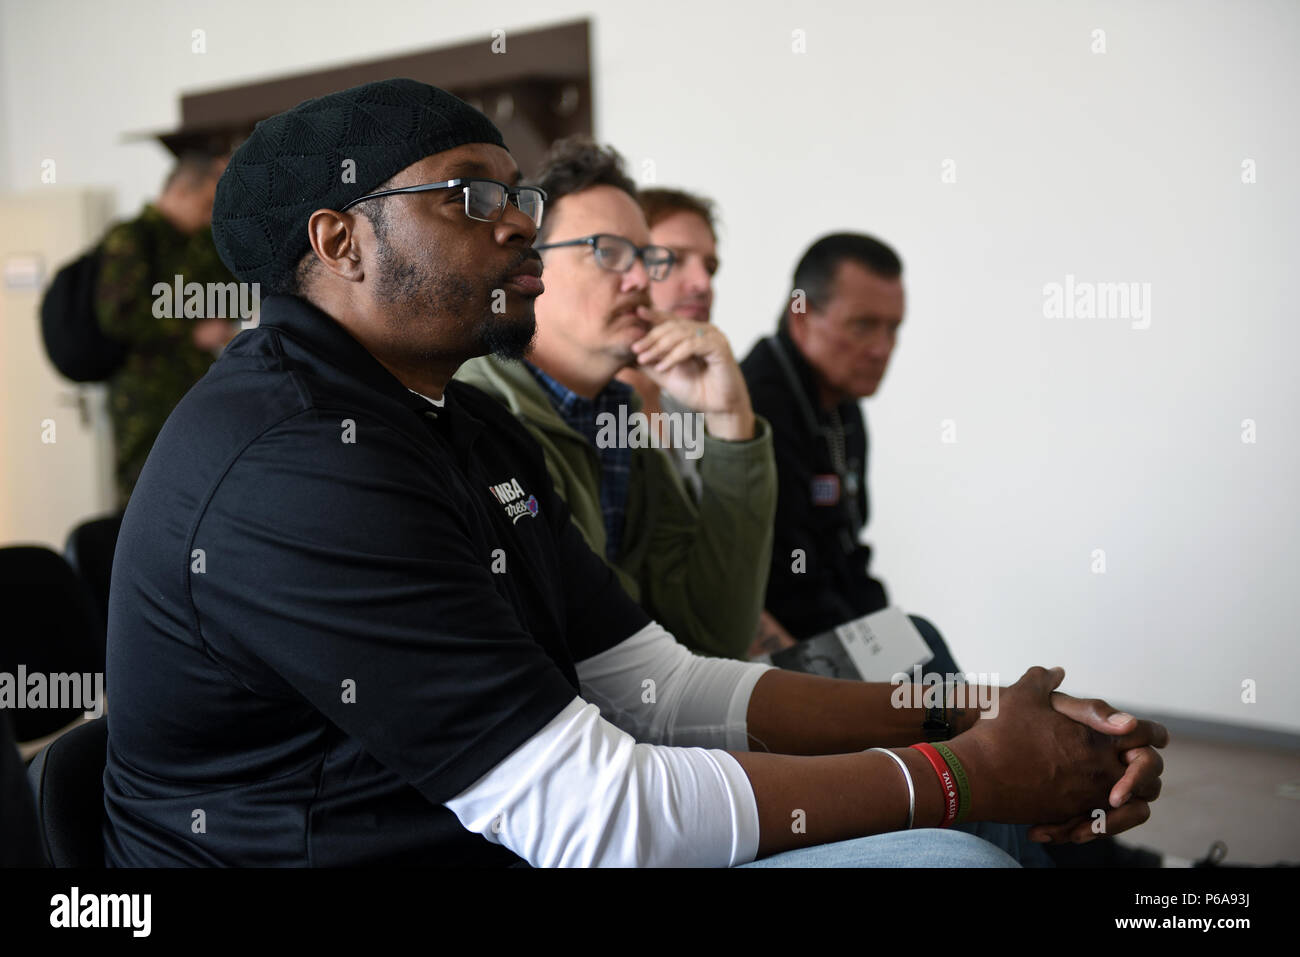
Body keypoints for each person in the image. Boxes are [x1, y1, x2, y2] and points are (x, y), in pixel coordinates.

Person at [103, 79, 1167, 868]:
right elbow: (590, 816)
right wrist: (968, 771)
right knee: (947, 858)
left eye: (512, 192)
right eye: (469, 196)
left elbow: (662, 685)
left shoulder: (458, 423)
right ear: (339, 241)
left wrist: (966, 713)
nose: (518, 221)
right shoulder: (296, 464)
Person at [456, 140, 776, 660]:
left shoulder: (617, 415)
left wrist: (729, 419)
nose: (641, 280)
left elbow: (716, 633)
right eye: (608, 252)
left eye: (648, 259)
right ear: (531, 267)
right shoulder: (475, 410)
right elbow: (585, 653)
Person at [96, 142, 243, 505]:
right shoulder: (132, 238)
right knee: (146, 495)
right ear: (178, 191)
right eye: (205, 204)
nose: (209, 215)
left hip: (191, 387)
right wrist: (192, 332)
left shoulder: (195, 243)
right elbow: (119, 315)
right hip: (144, 398)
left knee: (196, 489)